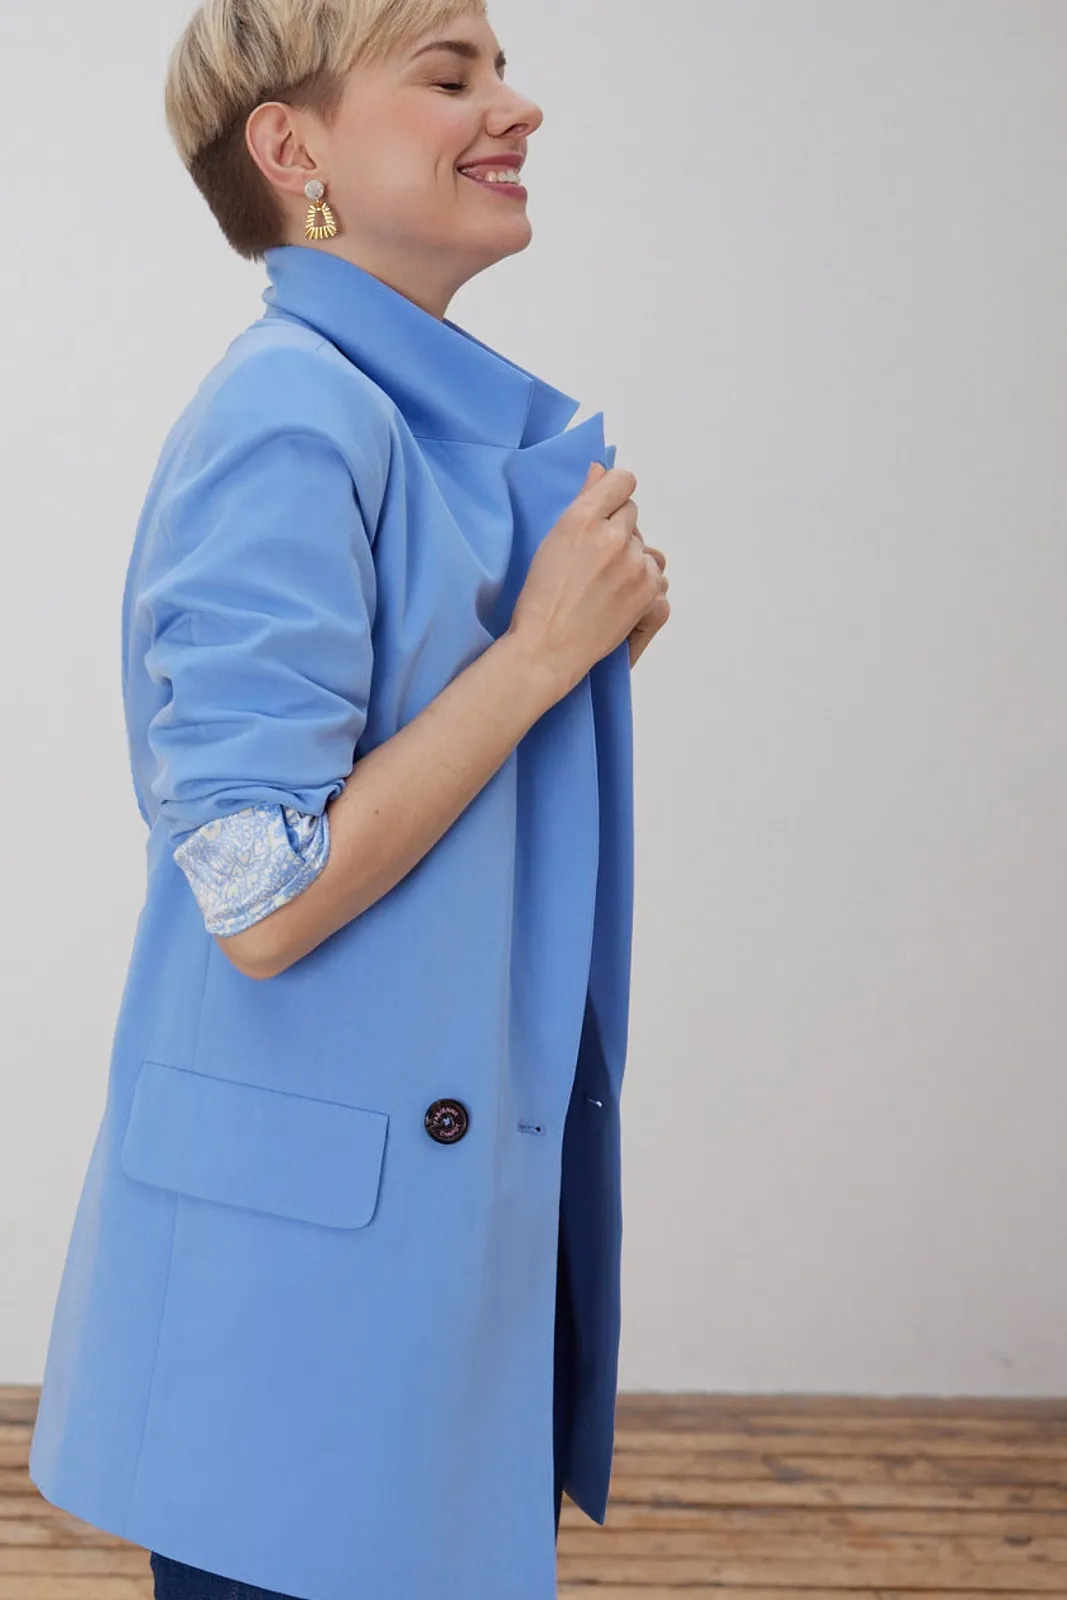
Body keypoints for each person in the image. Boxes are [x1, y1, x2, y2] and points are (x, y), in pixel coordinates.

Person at [28, 2, 670, 1597]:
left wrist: (569, 664)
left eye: (499, 67)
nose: (514, 106)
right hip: (300, 1298)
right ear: (291, 147)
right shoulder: (293, 411)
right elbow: (258, 892)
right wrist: (539, 656)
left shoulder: (410, 422)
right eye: (449, 74)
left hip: (399, 1256)